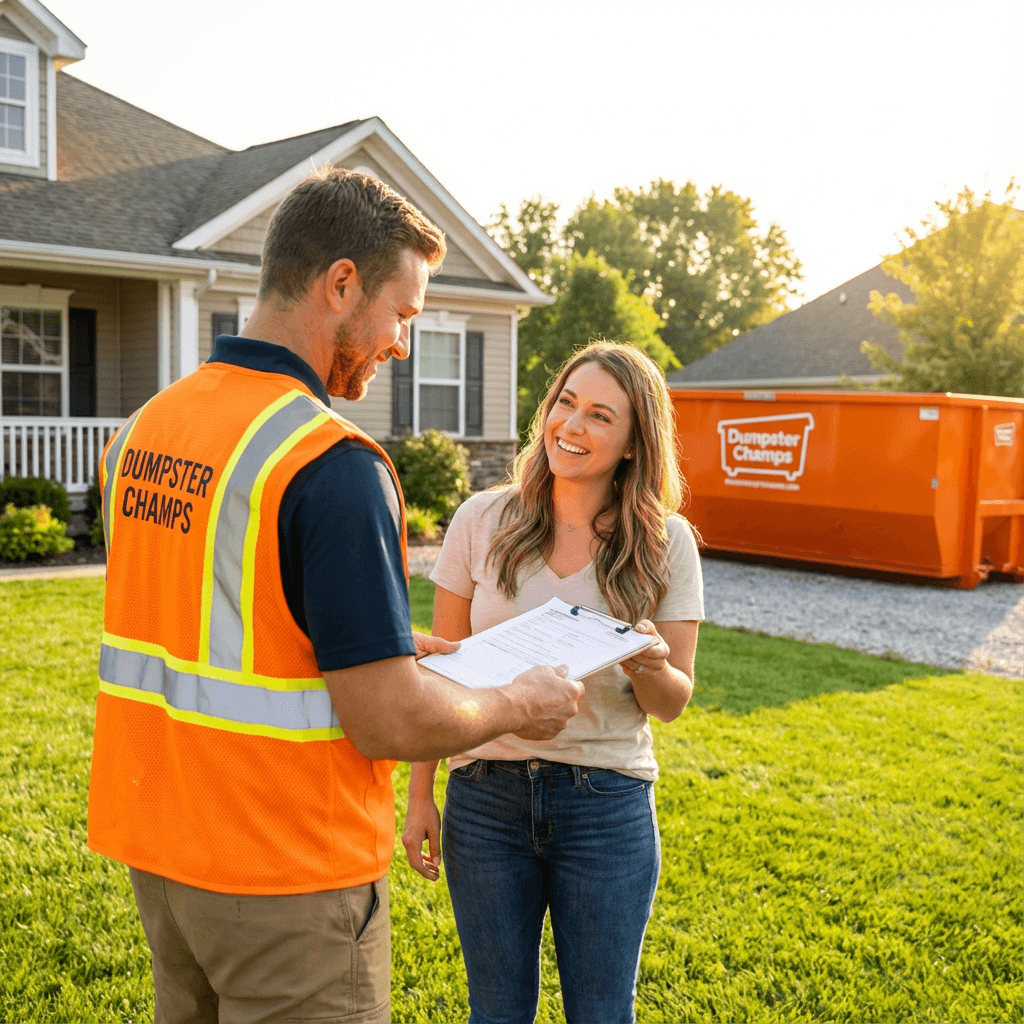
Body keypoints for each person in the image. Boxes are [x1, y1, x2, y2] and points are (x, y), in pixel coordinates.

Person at [87, 168, 583, 1024]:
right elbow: (386, 722)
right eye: (402, 314)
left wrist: (380, 643)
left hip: (163, 862)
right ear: (341, 284)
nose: (400, 343)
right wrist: (515, 700)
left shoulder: (141, 433)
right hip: (284, 880)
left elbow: (216, 617)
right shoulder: (332, 465)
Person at [401, 341, 704, 1024]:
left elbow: (674, 700)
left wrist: (651, 666)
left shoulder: (666, 541)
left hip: (606, 802)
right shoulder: (481, 519)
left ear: (633, 442)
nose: (572, 426)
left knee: (600, 1013)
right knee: (497, 1011)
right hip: (484, 800)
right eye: (566, 403)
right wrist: (421, 795)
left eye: (601, 415)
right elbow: (437, 669)